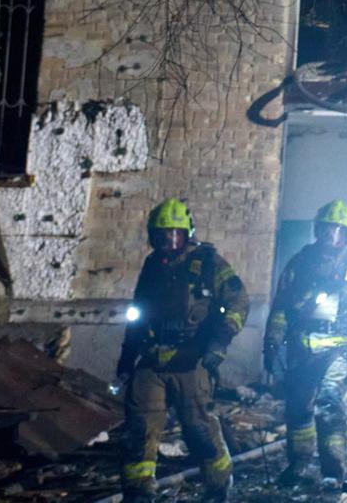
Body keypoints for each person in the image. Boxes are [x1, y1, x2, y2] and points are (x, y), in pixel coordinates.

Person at [116, 198, 248, 502]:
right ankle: (138, 491)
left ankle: (218, 486)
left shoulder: (209, 262)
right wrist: (127, 357)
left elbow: (239, 301)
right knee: (139, 427)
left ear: (188, 233)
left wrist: (220, 341)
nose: (169, 241)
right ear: (153, 235)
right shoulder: (152, 266)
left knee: (198, 429)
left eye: (176, 234)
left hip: (192, 359)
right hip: (152, 358)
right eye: (163, 234)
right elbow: (138, 312)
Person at [265, 199, 347, 492]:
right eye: (328, 229)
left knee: (328, 403)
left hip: (339, 349)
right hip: (302, 348)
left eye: (339, 231)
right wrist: (272, 342)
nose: (332, 236)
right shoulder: (300, 263)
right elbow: (281, 307)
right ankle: (299, 463)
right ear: (318, 230)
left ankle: (333, 471)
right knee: (299, 409)